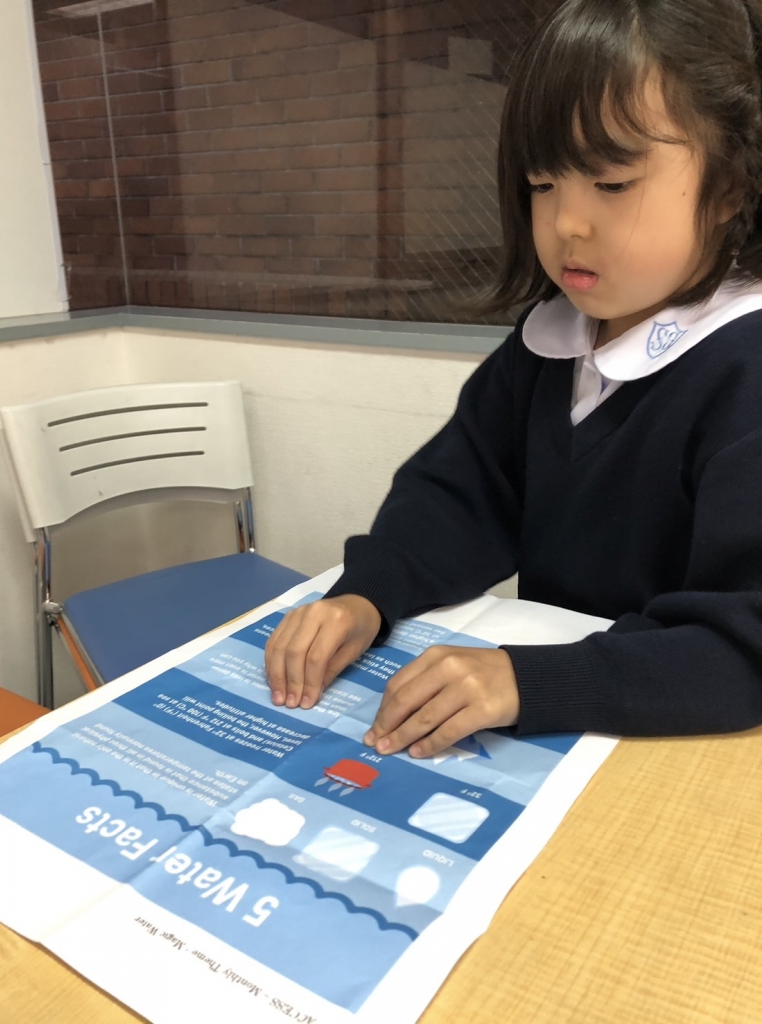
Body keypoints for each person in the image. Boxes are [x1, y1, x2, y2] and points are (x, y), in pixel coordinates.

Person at [266, 0, 762, 758]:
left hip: (685, 748)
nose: (566, 224)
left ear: (728, 186)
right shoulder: (550, 340)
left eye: (611, 183)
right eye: (542, 182)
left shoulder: (745, 368)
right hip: (565, 738)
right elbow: (460, 494)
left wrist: (528, 682)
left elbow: (742, 647)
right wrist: (371, 591)